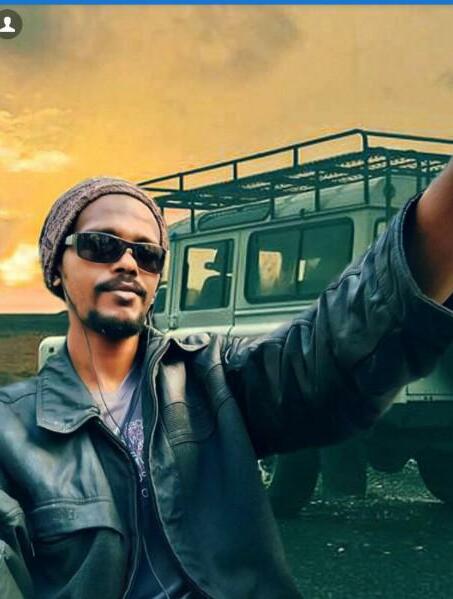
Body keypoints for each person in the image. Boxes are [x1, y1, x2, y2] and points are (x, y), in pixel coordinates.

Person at [1, 167, 453, 599]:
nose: (127, 263)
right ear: (55, 268)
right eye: (101, 245)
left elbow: (335, 345)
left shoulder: (213, 378)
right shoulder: (11, 434)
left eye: (148, 254)